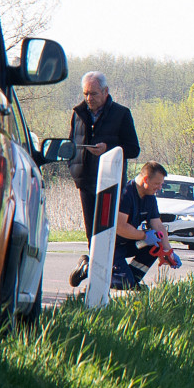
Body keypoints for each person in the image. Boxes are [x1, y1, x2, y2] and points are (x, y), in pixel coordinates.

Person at [67, 71, 140, 285]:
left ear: (106, 92)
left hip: (110, 182)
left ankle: (102, 272)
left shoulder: (121, 114)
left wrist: (109, 149)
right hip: (85, 180)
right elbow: (72, 142)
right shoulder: (78, 113)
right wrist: (73, 165)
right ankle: (94, 275)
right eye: (86, 93)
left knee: (108, 231)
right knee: (92, 233)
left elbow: (133, 149)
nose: (89, 98)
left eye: (94, 93)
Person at [69, 161, 181, 290]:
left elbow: (159, 226)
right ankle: (89, 268)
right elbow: (120, 227)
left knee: (155, 245)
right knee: (124, 283)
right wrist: (144, 235)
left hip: (128, 243)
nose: (159, 187)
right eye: (157, 184)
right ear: (145, 179)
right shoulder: (125, 194)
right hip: (112, 245)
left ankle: (133, 280)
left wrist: (168, 252)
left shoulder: (149, 197)